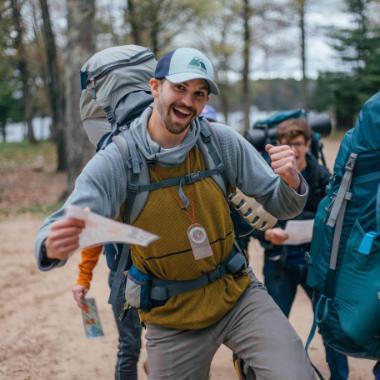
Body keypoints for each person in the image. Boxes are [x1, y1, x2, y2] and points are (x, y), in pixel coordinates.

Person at [35, 47, 316, 379]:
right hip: (171, 316)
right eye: (179, 88)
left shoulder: (220, 141)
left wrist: (291, 181)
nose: (188, 101)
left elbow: (282, 203)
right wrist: (51, 246)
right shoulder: (119, 159)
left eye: (199, 93)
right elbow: (61, 222)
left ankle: (250, 358)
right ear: (155, 87)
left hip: (237, 294)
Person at [251, 118, 349, 380]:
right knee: (275, 325)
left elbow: (336, 219)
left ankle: (340, 377)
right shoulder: (267, 176)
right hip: (279, 259)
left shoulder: (323, 177)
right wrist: (266, 233)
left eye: (298, 144)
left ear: (308, 144)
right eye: (287, 144)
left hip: (314, 261)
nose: (293, 150)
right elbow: (252, 217)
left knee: (329, 324)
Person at [72, 245, 142, 380]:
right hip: (124, 276)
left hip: (160, 276)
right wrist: (83, 277)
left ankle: (153, 365)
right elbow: (97, 232)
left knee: (164, 337)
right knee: (130, 345)